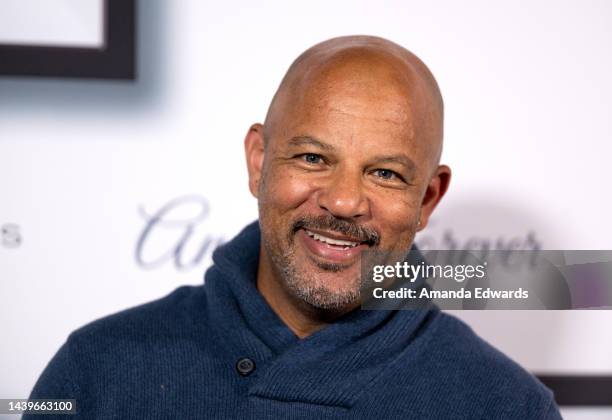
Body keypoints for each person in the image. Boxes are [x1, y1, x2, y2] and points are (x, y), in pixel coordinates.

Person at [26, 35, 561, 419]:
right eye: (312, 158)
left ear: (426, 199)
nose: (345, 200)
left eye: (384, 173)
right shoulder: (98, 369)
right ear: (258, 162)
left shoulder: (506, 406)